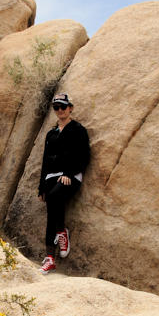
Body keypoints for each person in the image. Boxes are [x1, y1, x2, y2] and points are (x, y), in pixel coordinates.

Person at [38, 92, 90, 273]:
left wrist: (69, 173)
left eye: (63, 107)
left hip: (70, 177)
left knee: (53, 199)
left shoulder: (78, 130)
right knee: (50, 208)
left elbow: (84, 156)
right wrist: (41, 187)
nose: (60, 110)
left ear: (70, 108)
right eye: (56, 107)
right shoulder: (51, 134)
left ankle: (61, 233)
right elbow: (45, 161)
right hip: (52, 177)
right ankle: (50, 257)